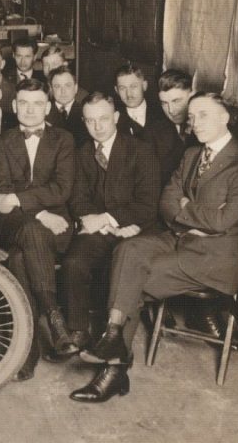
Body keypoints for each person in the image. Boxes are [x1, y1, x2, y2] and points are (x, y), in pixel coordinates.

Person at [72, 92, 238, 403]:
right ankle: (113, 338)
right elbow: (165, 204)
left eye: (203, 115)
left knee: (130, 279)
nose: (193, 122)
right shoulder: (190, 156)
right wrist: (191, 212)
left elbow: (224, 220)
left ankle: (114, 369)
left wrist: (185, 208)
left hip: (215, 257)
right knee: (128, 251)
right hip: (180, 239)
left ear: (225, 117)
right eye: (192, 116)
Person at [62, 92, 160, 354]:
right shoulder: (82, 153)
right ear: (83, 122)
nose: (98, 126)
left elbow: (148, 204)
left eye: (104, 119)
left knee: (120, 265)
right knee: (74, 262)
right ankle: (79, 331)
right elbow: (77, 198)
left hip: (135, 228)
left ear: (116, 117)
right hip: (99, 229)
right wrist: (99, 224)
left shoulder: (140, 150)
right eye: (90, 121)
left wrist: (109, 219)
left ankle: (112, 339)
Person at [0, 78, 75, 376]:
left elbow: (62, 189)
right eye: (23, 103)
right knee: (31, 230)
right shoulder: (3, 141)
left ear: (48, 107)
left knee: (18, 259)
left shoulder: (63, 139)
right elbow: (1, 191)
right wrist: (39, 214)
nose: (30, 109)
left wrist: (19, 200)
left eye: (37, 103)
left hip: (57, 228)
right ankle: (54, 317)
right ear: (13, 107)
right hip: (15, 225)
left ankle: (27, 348)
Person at [114, 63, 183, 184]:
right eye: (122, 88)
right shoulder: (114, 122)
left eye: (134, 86)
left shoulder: (165, 113)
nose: (129, 94)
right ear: (116, 90)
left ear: (144, 85)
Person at [46, 65, 90, 146]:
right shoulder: (44, 113)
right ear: (51, 90)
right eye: (57, 86)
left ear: (76, 88)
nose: (63, 91)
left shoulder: (86, 112)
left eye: (68, 85)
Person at [157, 68, 198, 145]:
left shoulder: (206, 130)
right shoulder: (154, 133)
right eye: (164, 103)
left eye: (176, 101)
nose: (171, 110)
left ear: (192, 96)